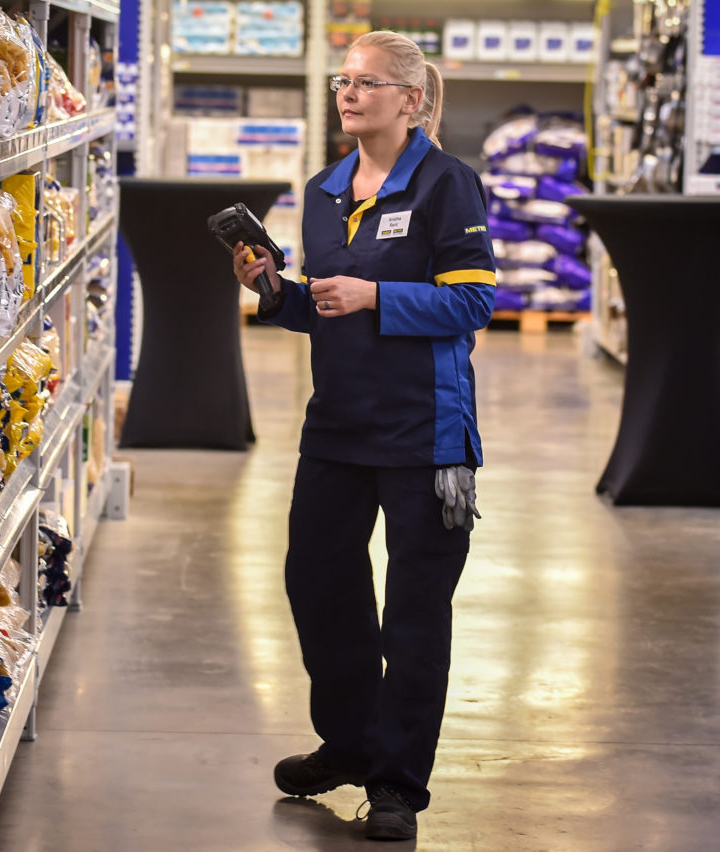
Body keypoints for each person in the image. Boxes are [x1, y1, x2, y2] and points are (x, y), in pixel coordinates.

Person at [232, 30, 495, 841]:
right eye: (343, 81)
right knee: (318, 587)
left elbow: (473, 305)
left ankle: (395, 785)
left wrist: (377, 296)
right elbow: (325, 305)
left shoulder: (449, 185)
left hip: (427, 433)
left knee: (414, 615)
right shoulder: (324, 188)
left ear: (410, 100)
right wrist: (277, 293)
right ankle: (346, 742)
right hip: (338, 428)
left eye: (369, 83)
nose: (349, 94)